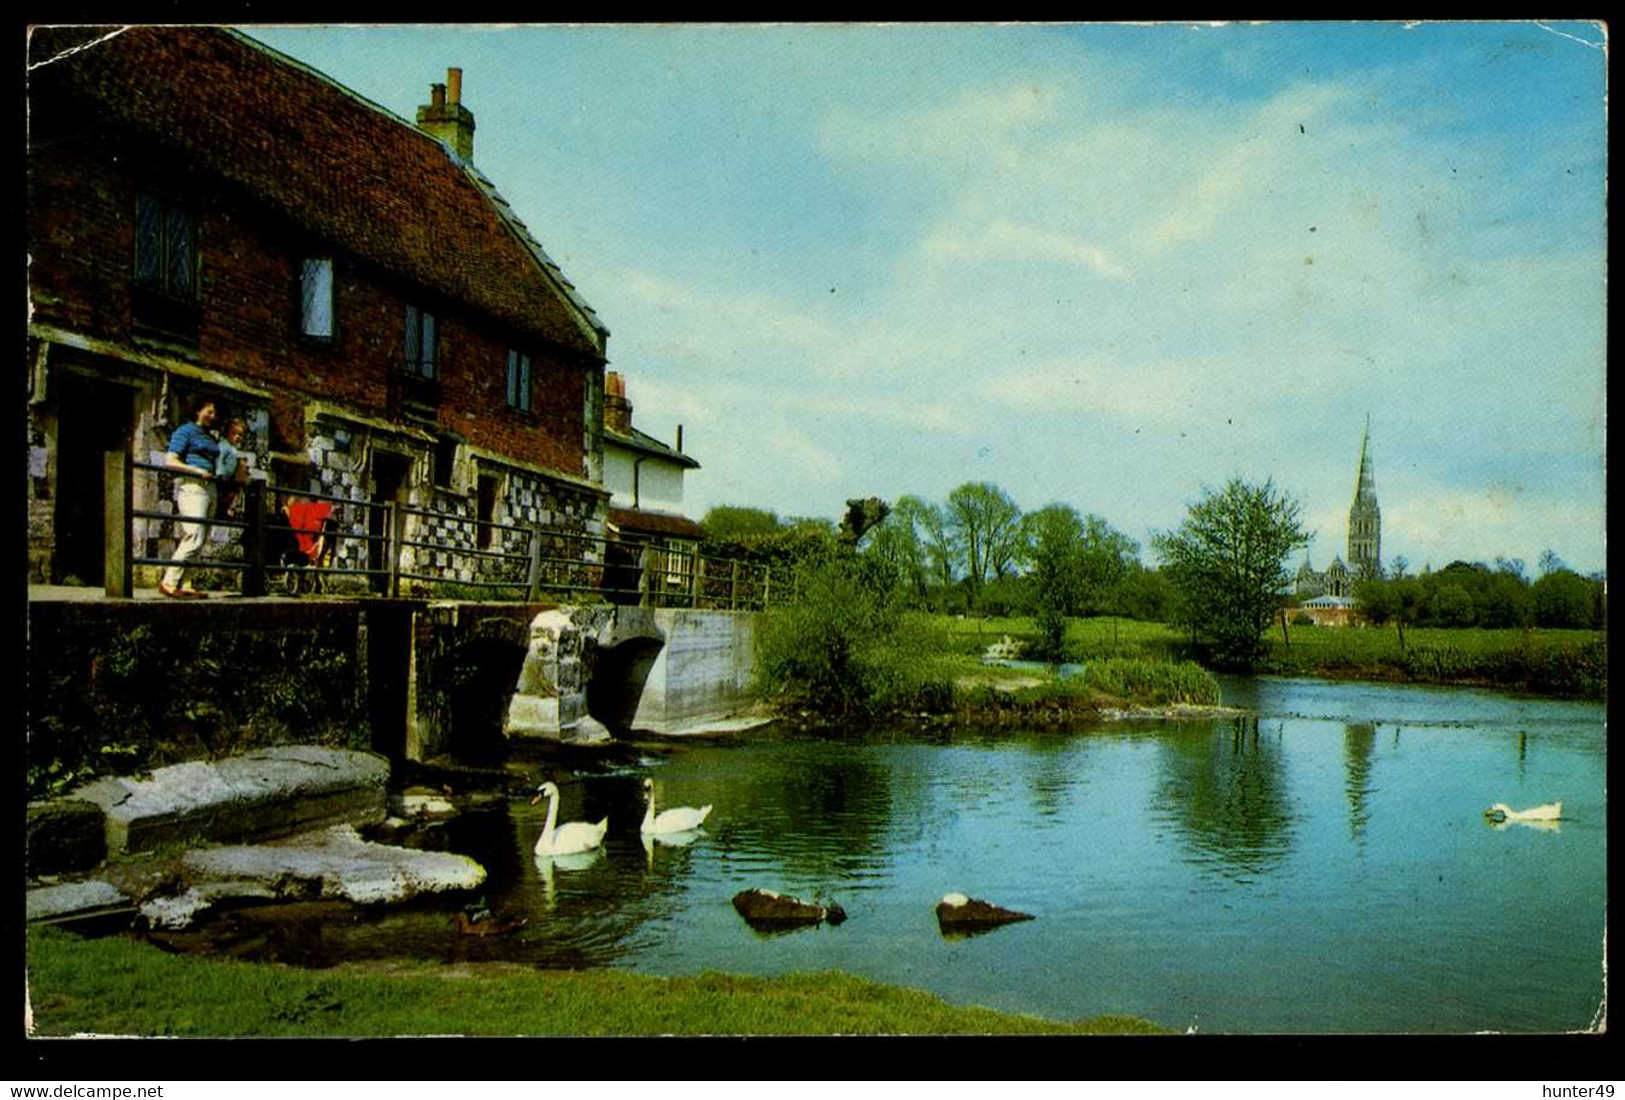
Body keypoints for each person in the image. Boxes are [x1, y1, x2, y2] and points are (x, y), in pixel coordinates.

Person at [160, 397, 220, 598]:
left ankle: (186, 584)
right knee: (193, 534)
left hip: (210, 487)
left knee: (201, 538)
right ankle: (169, 582)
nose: (213, 416)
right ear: (197, 411)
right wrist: (194, 470)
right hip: (193, 486)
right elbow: (170, 460)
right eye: (209, 412)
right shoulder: (185, 431)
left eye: (214, 413)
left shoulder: (210, 437)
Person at [214, 417, 250, 517]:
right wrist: (220, 473)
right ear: (227, 433)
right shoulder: (224, 445)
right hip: (224, 478)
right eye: (234, 433)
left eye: (240, 435)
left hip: (231, 478)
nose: (238, 437)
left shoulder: (233, 448)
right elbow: (220, 459)